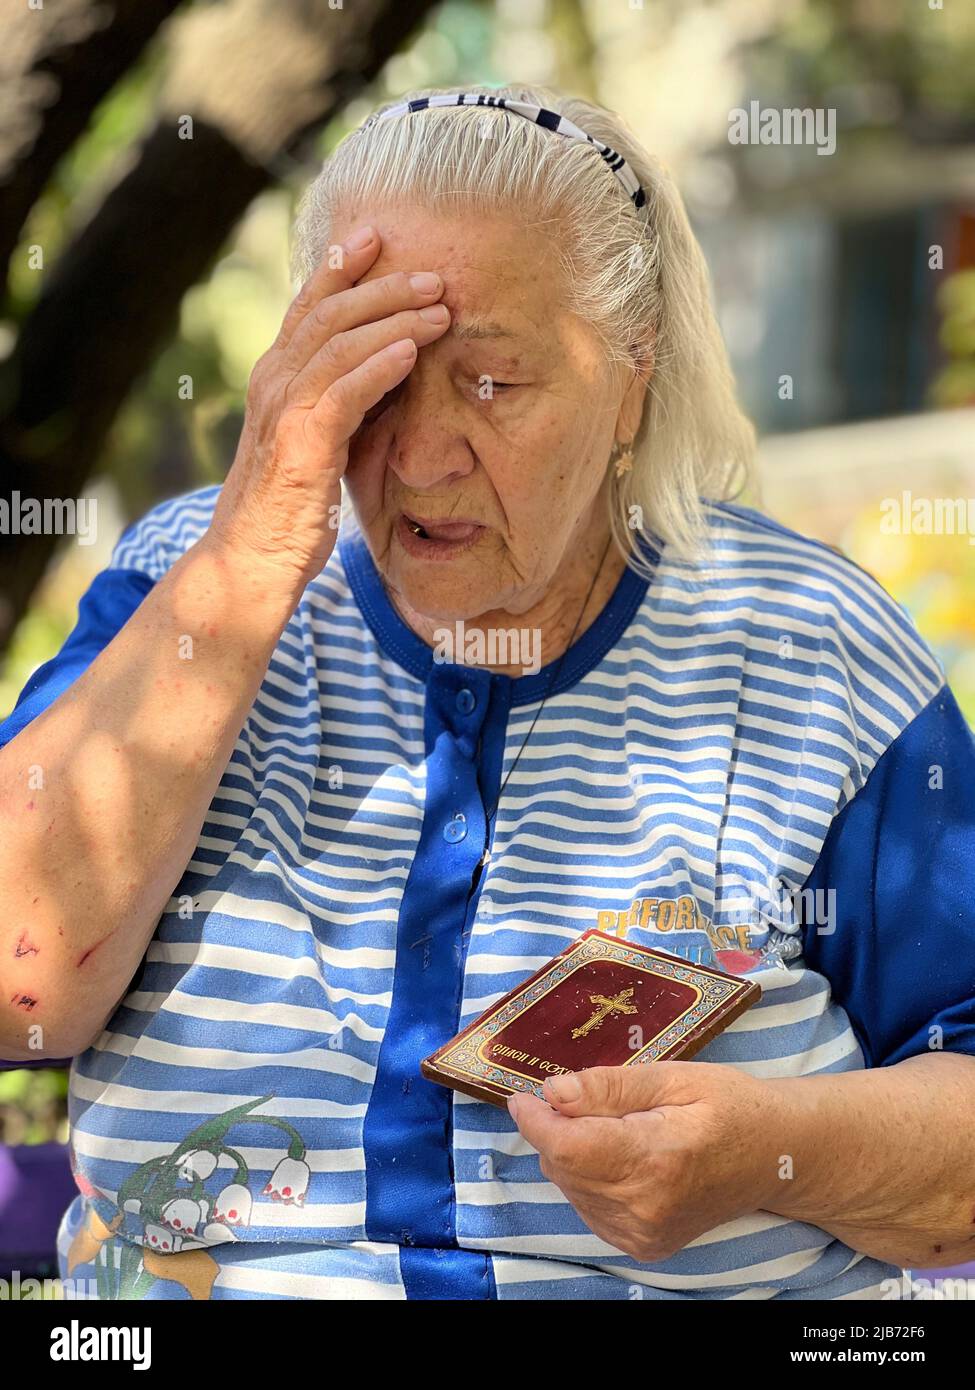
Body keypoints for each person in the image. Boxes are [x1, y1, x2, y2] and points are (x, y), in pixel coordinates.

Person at [2, 84, 974, 1302]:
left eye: (494, 384)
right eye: (376, 376)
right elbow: (16, 984)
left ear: (631, 382)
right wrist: (251, 558)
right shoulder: (187, 583)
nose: (420, 453)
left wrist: (771, 1152)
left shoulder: (805, 643)